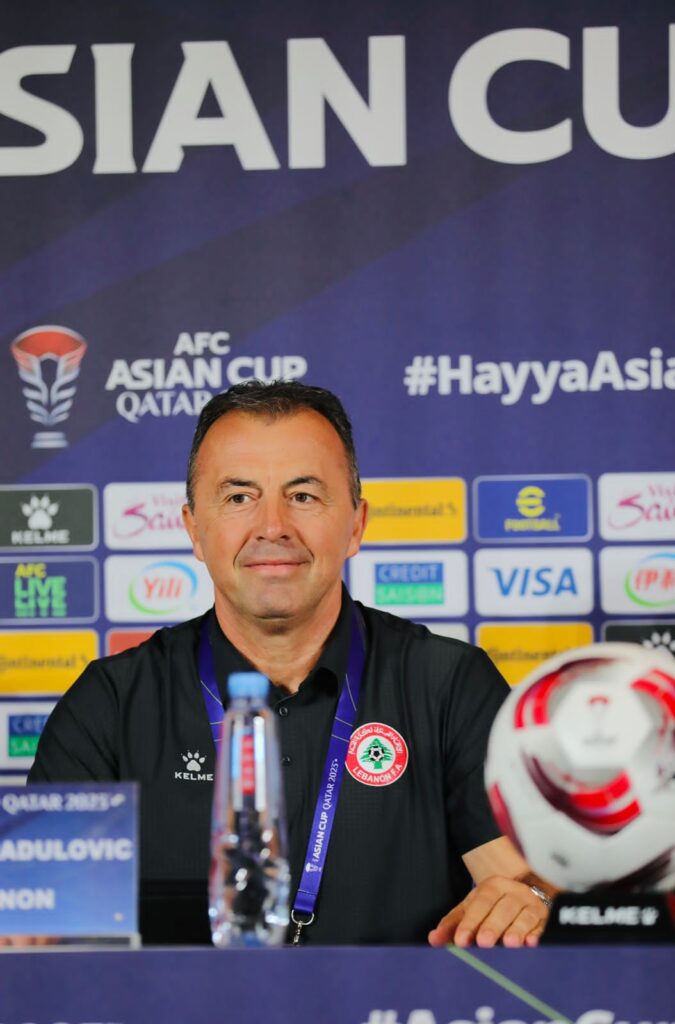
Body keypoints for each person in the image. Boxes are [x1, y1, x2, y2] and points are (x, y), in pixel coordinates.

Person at [29, 380, 556, 946]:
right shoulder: (110, 705)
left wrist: (532, 898)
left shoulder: (449, 685)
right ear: (194, 530)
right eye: (239, 497)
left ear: (356, 524)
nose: (272, 526)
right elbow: (45, 924)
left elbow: (522, 882)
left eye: (303, 496)